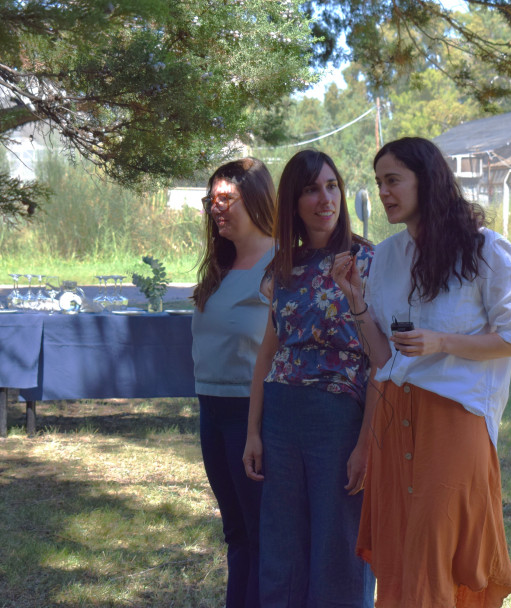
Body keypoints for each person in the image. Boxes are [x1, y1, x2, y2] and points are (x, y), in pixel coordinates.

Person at [332, 137, 511, 608]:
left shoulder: (485, 250)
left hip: (455, 420)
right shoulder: (387, 257)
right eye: (379, 182)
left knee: (439, 550)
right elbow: (384, 360)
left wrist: (443, 343)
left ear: (428, 181)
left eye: (394, 180)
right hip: (395, 418)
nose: (383, 192)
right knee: (405, 554)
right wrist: (356, 300)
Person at [242, 149, 376, 608]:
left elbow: (383, 361)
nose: (326, 198)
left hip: (339, 417)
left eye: (332, 186)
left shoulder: (369, 261)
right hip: (280, 415)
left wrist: (366, 442)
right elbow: (267, 352)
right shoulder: (283, 267)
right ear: (293, 204)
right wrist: (253, 431)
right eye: (312, 189)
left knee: (338, 543)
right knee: (282, 545)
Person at [192, 157, 276, 608]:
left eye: (225, 199)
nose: (215, 209)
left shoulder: (281, 264)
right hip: (212, 411)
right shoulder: (220, 265)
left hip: (253, 413)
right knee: (236, 533)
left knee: (261, 535)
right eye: (211, 200)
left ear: (257, 198)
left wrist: (256, 429)